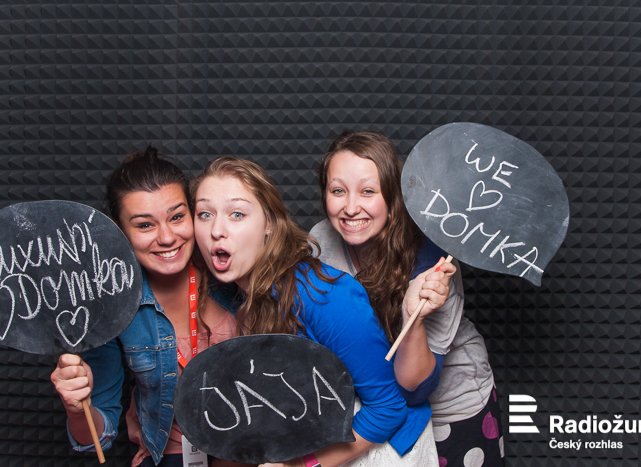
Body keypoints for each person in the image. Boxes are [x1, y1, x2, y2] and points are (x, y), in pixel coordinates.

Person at [191, 157, 438, 466]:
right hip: (312, 444)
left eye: (237, 214)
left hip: (377, 449)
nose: (217, 230)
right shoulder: (230, 294)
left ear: (269, 224)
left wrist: (302, 465)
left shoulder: (322, 295)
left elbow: (388, 409)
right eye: (205, 214)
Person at [310, 131, 504, 466]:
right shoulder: (321, 242)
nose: (351, 208)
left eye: (368, 191)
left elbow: (415, 388)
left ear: (393, 195)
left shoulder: (434, 264)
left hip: (450, 409)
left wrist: (413, 317)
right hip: (375, 404)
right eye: (338, 191)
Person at [50, 147, 242, 467]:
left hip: (248, 455)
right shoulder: (111, 307)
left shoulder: (235, 276)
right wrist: (77, 408)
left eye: (177, 217)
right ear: (120, 232)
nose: (166, 237)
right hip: (170, 458)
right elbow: (96, 439)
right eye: (145, 225)